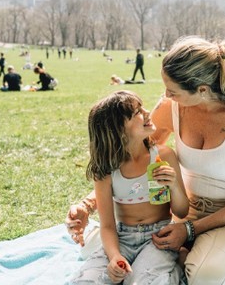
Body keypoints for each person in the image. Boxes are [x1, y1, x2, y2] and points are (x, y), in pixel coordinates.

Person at [66, 36, 225, 285]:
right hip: (181, 214)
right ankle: (179, 255)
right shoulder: (172, 106)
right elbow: (131, 159)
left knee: (206, 278)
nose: (165, 96)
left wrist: (189, 230)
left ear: (202, 90)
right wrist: (87, 205)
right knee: (102, 249)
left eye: (172, 91)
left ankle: (207, 253)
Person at [70, 90, 188, 284]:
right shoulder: (106, 170)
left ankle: (174, 270)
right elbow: (107, 226)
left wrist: (174, 185)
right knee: (87, 280)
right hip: (122, 237)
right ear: (118, 130)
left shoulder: (164, 156)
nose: (148, 112)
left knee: (145, 281)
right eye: (137, 112)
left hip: (159, 237)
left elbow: (182, 212)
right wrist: (115, 256)